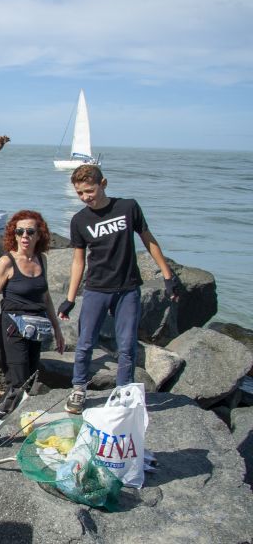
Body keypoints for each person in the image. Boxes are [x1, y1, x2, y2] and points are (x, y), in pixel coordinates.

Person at [59, 165, 180, 414]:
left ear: (103, 183)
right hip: (96, 289)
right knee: (85, 343)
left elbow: (148, 239)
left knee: (127, 346)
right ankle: (79, 389)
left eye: (89, 190)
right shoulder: (80, 220)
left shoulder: (128, 207)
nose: (85, 197)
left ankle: (123, 393)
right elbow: (78, 261)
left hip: (127, 289)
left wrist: (168, 276)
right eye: (80, 193)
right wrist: (70, 298)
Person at [0, 211, 65, 403]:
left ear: (39, 234)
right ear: (14, 234)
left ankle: (7, 413)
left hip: (36, 327)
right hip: (13, 328)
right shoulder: (6, 262)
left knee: (29, 379)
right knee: (17, 382)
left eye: (30, 231)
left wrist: (57, 329)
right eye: (20, 232)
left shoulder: (41, 260)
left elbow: (45, 297)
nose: (24, 236)